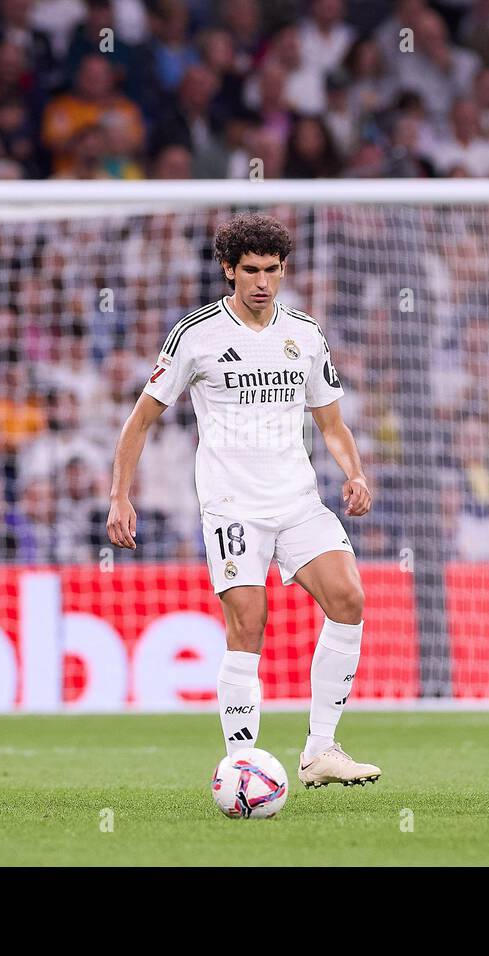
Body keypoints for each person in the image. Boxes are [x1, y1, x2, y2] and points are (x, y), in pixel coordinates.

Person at [106, 214, 381, 788]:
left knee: (349, 599)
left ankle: (321, 751)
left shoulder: (304, 334)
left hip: (298, 500)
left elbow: (330, 423)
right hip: (232, 505)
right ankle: (240, 762)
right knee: (249, 623)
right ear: (229, 270)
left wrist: (353, 472)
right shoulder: (196, 334)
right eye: (251, 270)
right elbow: (141, 420)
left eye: (273, 270)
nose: (263, 282)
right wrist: (120, 496)